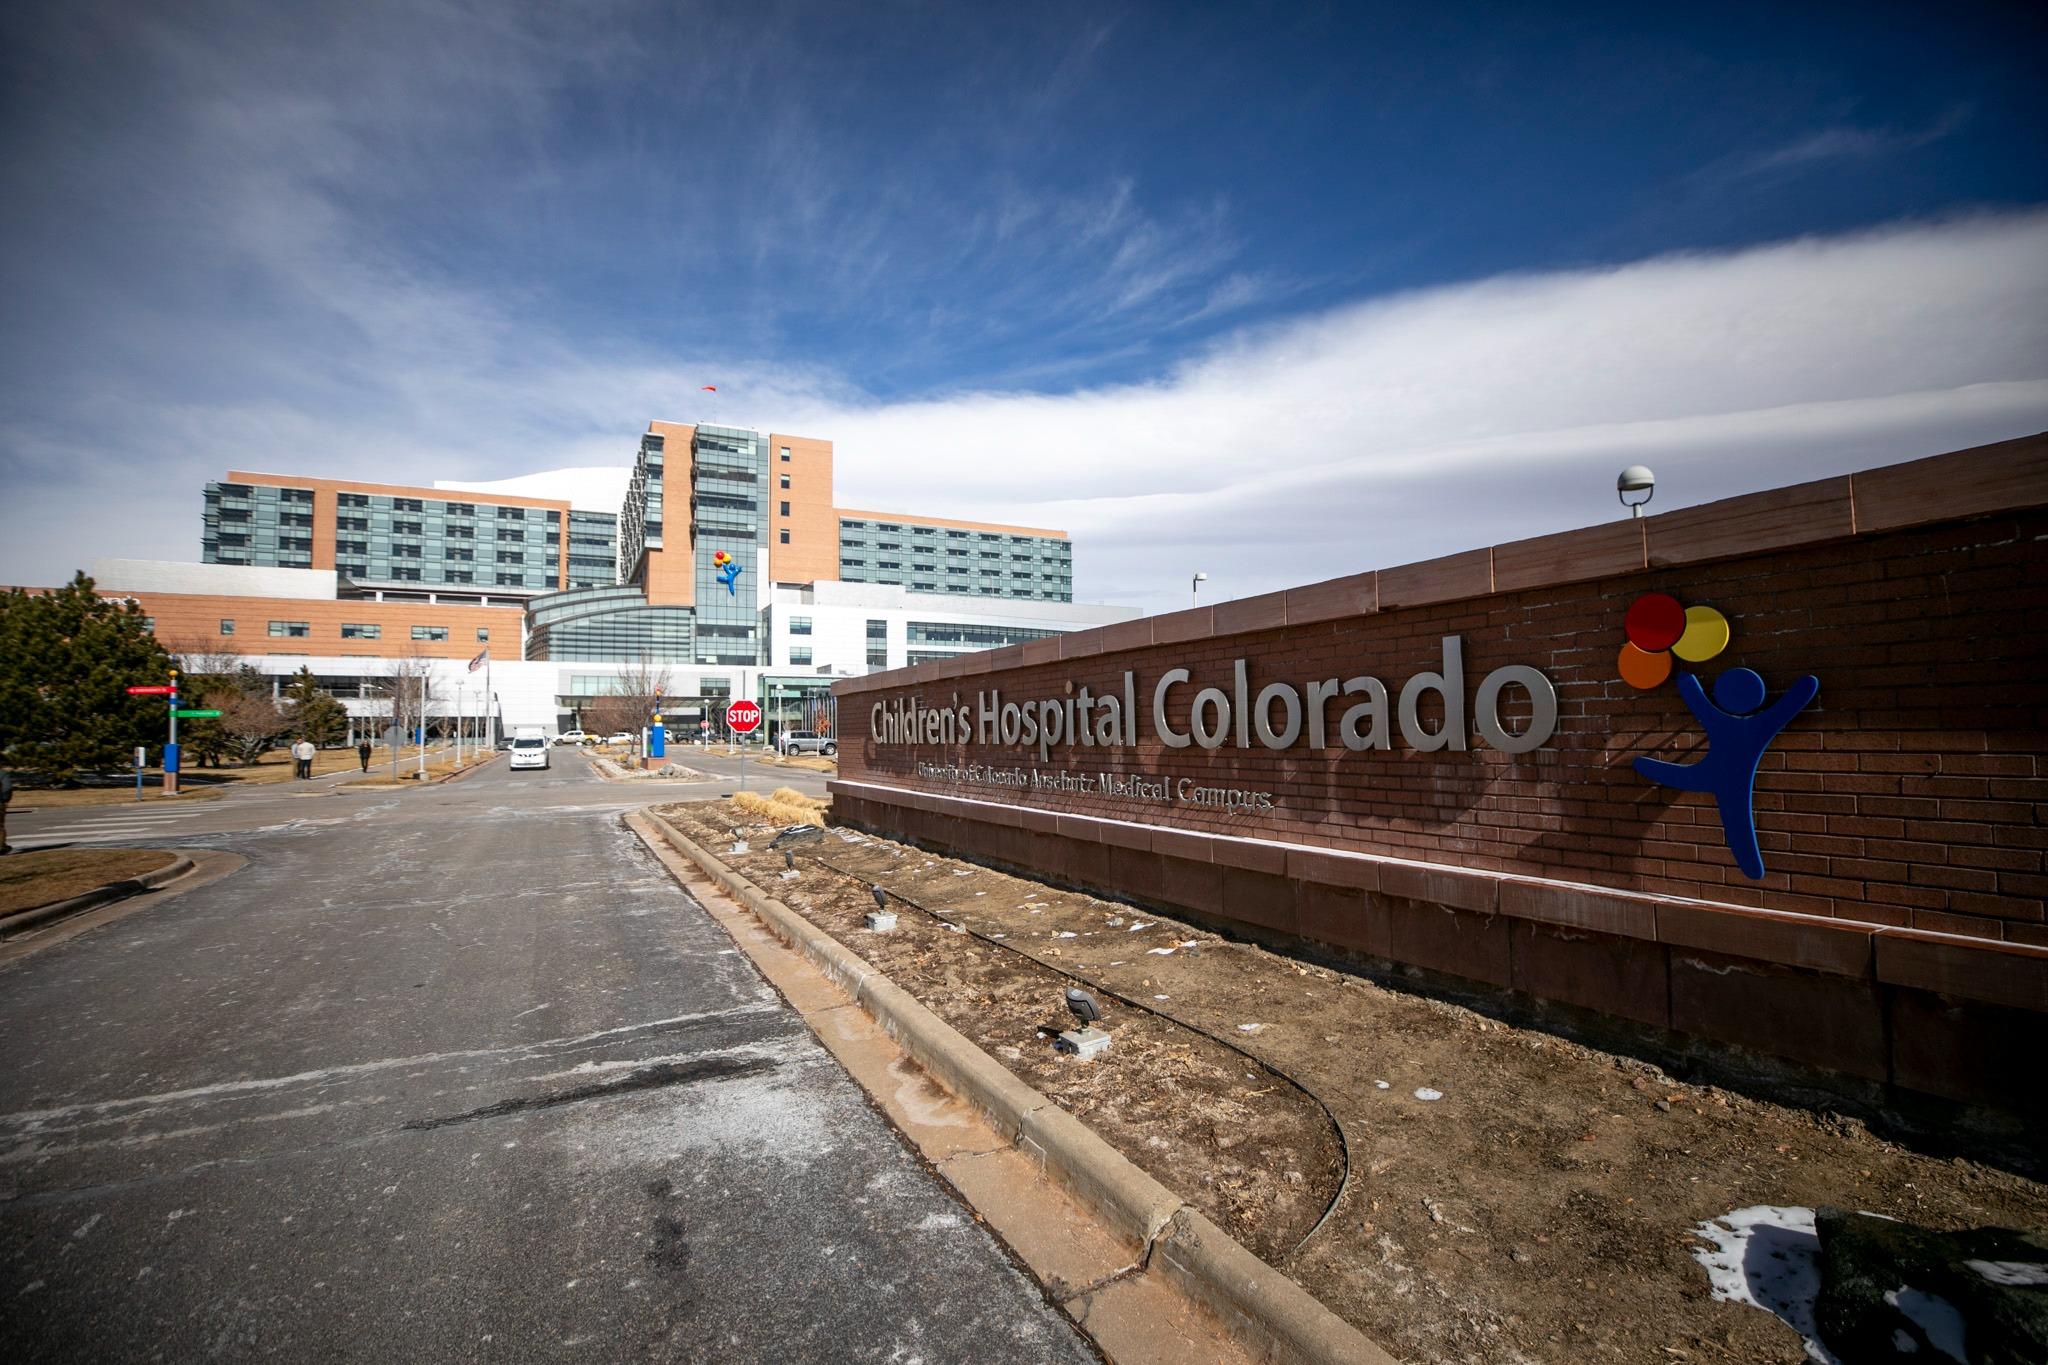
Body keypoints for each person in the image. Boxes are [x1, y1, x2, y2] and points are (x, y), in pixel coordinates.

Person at [1633, 666, 1818, 880]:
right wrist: (1806, 686)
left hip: (1715, 774)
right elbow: (1791, 704)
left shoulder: (1718, 717)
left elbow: (1694, 697)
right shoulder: (1762, 723)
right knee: (1738, 820)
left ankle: (1751, 867)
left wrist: (1687, 681)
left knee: (1734, 817)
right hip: (1727, 776)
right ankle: (1751, 867)